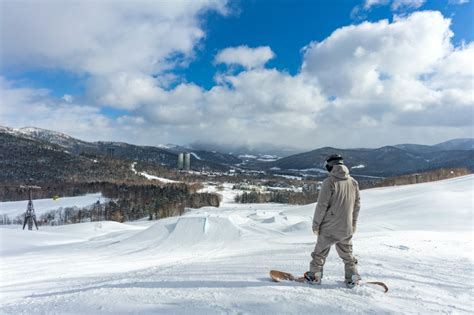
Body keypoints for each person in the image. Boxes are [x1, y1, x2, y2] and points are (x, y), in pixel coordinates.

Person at [304, 154, 361, 288]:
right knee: (347, 254)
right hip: (346, 227)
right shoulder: (353, 182)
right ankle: (352, 277)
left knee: (319, 253)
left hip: (329, 227)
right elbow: (357, 205)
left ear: (330, 166)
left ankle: (315, 276)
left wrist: (316, 224)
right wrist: (353, 223)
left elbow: (322, 205)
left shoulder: (329, 182)